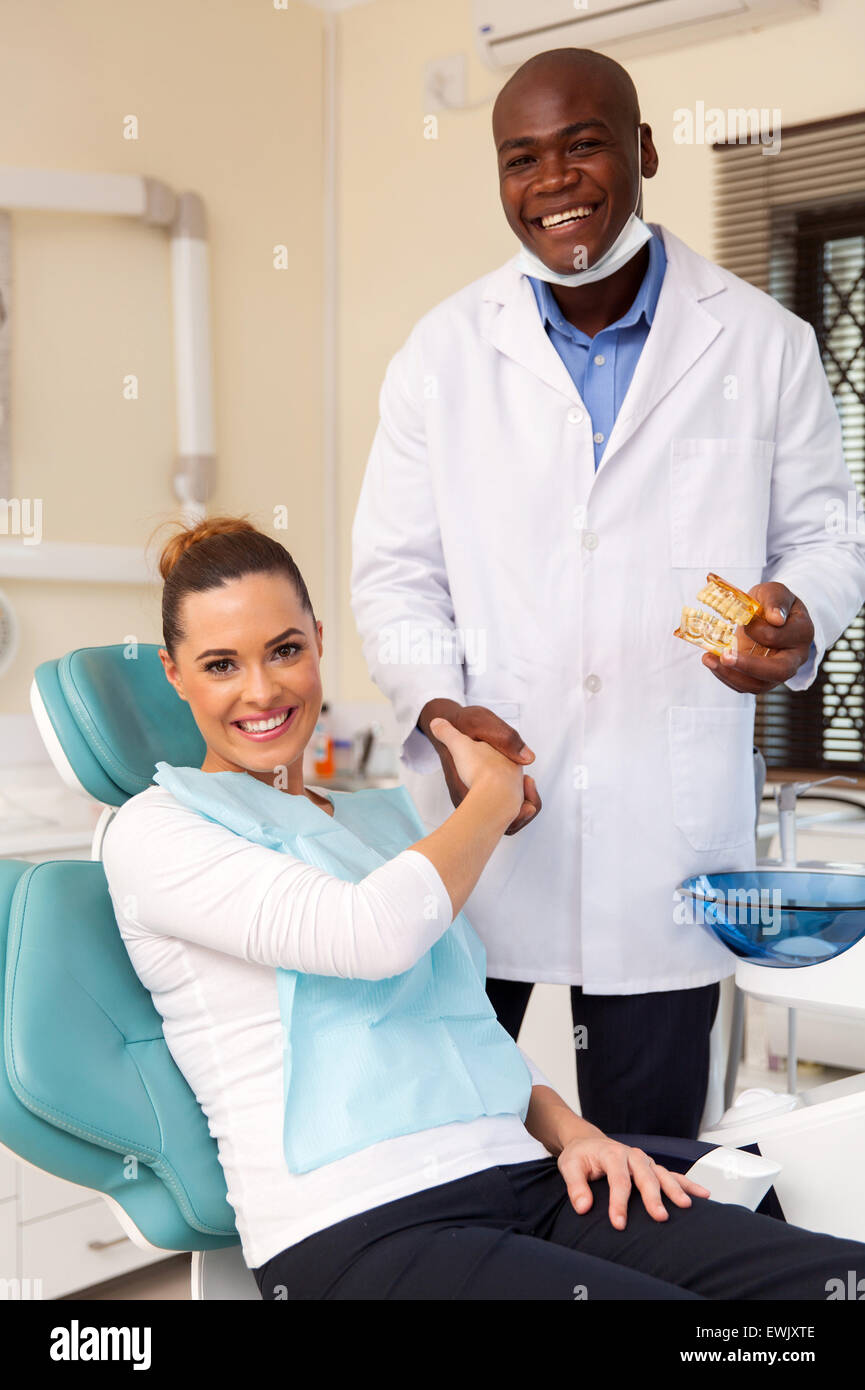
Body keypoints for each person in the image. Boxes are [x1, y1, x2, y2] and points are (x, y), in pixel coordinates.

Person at [101, 516, 865, 1300]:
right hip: (362, 1227)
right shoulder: (156, 832)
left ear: (318, 642)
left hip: (525, 1180)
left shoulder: (381, 820)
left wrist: (574, 1132)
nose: (261, 691)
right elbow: (370, 934)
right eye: (220, 664)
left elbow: (458, 1018)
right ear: (173, 673)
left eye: (284, 650)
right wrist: (492, 794)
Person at [349, 47, 865, 1139]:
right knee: (454, 1145)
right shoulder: (441, 355)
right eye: (519, 158)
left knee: (654, 1163)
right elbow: (396, 573)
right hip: (489, 823)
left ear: (640, 151)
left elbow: (825, 534)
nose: (553, 181)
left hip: (662, 835)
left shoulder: (765, 345)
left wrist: (797, 612)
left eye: (581, 145)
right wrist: (439, 714)